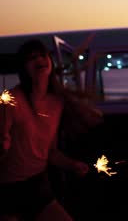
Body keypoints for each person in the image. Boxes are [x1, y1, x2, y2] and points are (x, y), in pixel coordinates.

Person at [0, 40, 93, 221]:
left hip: (37, 184)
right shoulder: (10, 100)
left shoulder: (56, 103)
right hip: (7, 187)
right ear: (24, 68)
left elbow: (50, 152)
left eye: (42, 55)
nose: (39, 59)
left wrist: (72, 165)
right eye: (31, 58)